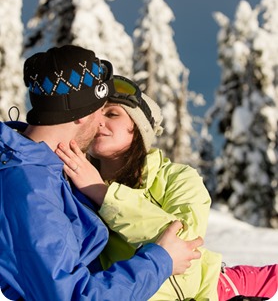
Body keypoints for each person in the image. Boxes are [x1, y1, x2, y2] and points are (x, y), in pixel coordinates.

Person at [0, 46, 203, 301]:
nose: (101, 125)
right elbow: (75, 296)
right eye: (100, 111)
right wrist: (160, 261)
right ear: (82, 115)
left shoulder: (45, 170)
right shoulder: (30, 187)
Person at [57, 75, 278, 301]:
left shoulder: (178, 177)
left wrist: (103, 194)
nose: (99, 122)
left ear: (139, 129)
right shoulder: (72, 188)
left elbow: (183, 242)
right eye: (94, 115)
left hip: (213, 290)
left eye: (112, 113)